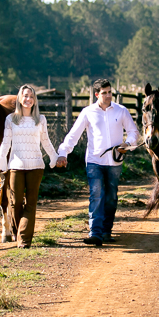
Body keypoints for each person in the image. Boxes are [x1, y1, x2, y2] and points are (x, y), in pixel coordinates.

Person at [56, 78, 139, 246]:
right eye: (104, 93)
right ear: (96, 94)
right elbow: (73, 135)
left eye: (110, 92)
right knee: (96, 194)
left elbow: (133, 132)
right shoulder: (88, 112)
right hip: (94, 161)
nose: (108, 96)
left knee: (111, 197)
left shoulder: (121, 111)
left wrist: (127, 144)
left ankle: (107, 231)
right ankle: (96, 232)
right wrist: (63, 153)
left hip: (115, 162)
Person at [0, 85, 59, 248]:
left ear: (34, 100)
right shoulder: (11, 120)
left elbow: (46, 141)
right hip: (15, 166)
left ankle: (24, 240)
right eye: (25, 96)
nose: (28, 99)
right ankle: (19, 232)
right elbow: (5, 144)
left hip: (36, 166)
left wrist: (54, 157)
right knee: (15, 203)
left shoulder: (40, 120)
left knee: (31, 203)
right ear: (19, 99)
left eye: (31, 96)